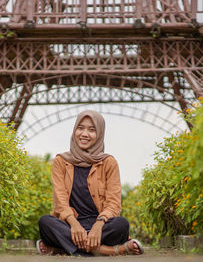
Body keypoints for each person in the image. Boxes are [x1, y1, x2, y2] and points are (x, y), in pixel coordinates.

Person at [37, 110, 144, 256]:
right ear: (74, 130)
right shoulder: (61, 161)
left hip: (101, 226)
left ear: (99, 133)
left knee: (121, 224)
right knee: (45, 222)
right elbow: (60, 202)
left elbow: (114, 204)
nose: (84, 134)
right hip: (69, 225)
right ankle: (111, 250)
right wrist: (74, 225)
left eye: (91, 130)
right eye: (80, 128)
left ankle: (62, 248)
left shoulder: (109, 162)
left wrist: (99, 225)